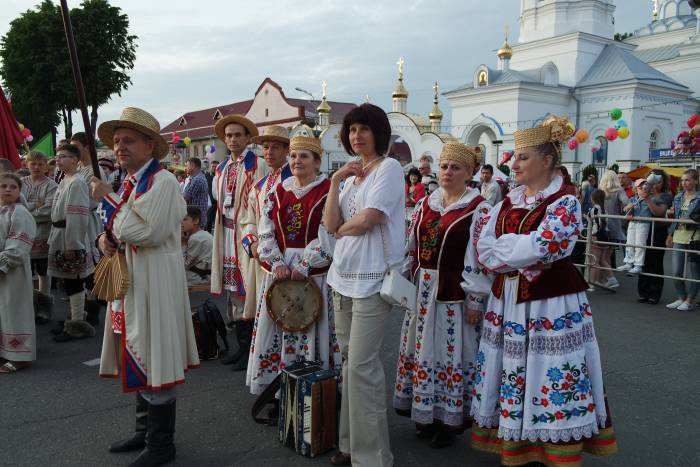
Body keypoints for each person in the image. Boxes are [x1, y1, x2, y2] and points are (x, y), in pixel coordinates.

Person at [470, 116, 617, 466]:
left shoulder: (564, 202)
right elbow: (485, 250)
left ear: (547, 160)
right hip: (508, 302)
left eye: (522, 157)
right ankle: (517, 442)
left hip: (550, 305)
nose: (513, 163)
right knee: (512, 367)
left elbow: (546, 247)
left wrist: (515, 251)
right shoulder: (508, 201)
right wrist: (518, 251)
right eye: (514, 157)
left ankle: (550, 446)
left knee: (546, 367)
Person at [91, 107, 199, 467]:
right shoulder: (131, 181)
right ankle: (145, 432)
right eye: (117, 141)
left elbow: (142, 232)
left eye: (129, 141)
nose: (120, 147)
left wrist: (107, 201)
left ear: (150, 146)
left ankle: (161, 446)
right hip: (133, 279)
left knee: (157, 354)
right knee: (138, 349)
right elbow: (119, 229)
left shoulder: (163, 182)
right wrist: (105, 242)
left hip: (154, 278)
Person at [393, 143, 492, 448]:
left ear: (470, 173)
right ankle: (425, 415)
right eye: (445, 165)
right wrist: (401, 278)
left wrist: (476, 297)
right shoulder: (427, 203)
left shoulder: (479, 208)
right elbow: (412, 245)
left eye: (456, 167)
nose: (447, 172)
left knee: (451, 353)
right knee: (421, 350)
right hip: (423, 289)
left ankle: (449, 421)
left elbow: (479, 257)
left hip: (454, 291)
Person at [323, 103, 405, 467]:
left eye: (364, 129)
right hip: (341, 278)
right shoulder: (352, 177)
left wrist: (342, 229)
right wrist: (336, 181)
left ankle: (374, 457)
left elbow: (369, 219)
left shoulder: (389, 169)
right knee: (349, 365)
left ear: (379, 133)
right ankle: (349, 445)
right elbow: (329, 223)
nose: (357, 136)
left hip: (372, 281)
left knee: (362, 366)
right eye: (352, 130)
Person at [247, 136, 341, 399]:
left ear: (317, 162)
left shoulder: (326, 192)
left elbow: (329, 232)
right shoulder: (278, 191)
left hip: (313, 273)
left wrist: (305, 263)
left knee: (310, 323)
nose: (297, 161)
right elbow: (266, 229)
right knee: (280, 321)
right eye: (294, 156)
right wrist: (276, 261)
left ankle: (311, 391)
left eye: (304, 156)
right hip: (281, 271)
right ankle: (280, 393)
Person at [228, 125, 292, 372]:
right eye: (266, 147)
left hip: (286, 261)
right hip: (263, 261)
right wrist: (251, 243)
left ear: (287, 150)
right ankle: (271, 374)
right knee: (266, 315)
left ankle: (287, 373)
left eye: (276, 147)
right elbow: (247, 220)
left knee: (288, 317)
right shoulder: (260, 185)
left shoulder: (293, 181)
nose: (269, 151)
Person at [210, 114, 268, 367]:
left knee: (250, 287)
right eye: (229, 135)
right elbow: (218, 199)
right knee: (234, 290)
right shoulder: (222, 168)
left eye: (238, 135)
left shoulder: (259, 165)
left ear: (247, 138)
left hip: (247, 233)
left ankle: (252, 349)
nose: (233, 139)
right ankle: (242, 346)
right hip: (227, 232)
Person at [48, 144, 97, 342]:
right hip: (60, 233)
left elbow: (76, 215)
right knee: (67, 281)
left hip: (69, 234)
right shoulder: (65, 179)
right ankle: (72, 319)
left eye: (64, 156)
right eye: (58, 156)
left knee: (74, 280)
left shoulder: (77, 182)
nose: (58, 160)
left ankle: (77, 324)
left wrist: (73, 244)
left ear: (75, 160)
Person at [0, 173, 37, 374]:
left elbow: (18, 248)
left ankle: (20, 357)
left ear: (19, 190)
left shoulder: (20, 213)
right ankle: (5, 352)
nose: (7, 189)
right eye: (3, 186)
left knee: (14, 312)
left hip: (12, 274)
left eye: (13, 186)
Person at [21, 151, 58, 322]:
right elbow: (12, 205)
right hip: (22, 235)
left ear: (46, 166)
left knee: (43, 271)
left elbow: (48, 211)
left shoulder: (52, 186)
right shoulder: (19, 183)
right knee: (24, 272)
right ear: (27, 164)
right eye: (33, 163)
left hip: (43, 233)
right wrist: (32, 207)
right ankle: (26, 306)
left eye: (40, 164)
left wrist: (24, 212)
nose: (36, 167)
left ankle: (43, 309)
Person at [637, 169, 673, 305]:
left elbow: (659, 212)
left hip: (658, 231)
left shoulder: (666, 196)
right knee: (643, 261)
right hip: (643, 229)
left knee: (655, 262)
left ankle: (654, 293)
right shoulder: (644, 192)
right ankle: (643, 292)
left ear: (663, 182)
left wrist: (647, 199)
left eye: (659, 181)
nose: (656, 184)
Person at [665, 169, 700, 311]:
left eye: (688, 180)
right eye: (683, 180)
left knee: (695, 272)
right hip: (679, 236)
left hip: (695, 237)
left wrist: (690, 220)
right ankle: (681, 297)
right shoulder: (678, 196)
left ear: (696, 181)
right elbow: (675, 218)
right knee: (676, 271)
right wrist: (670, 234)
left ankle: (690, 300)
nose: (684, 183)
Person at [182, 206, 213, 287]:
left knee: (169, 276)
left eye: (185, 219)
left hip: (202, 277)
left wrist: (183, 243)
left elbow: (184, 265)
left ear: (196, 221)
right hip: (206, 274)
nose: (181, 223)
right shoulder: (202, 234)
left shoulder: (195, 239)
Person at [588, 189, 614, 287]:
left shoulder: (594, 209)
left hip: (597, 236)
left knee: (594, 260)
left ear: (593, 198)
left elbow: (596, 224)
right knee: (602, 260)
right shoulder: (604, 208)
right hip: (605, 235)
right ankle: (602, 280)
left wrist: (593, 234)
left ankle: (593, 282)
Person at [183, 158, 209, 229]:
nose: (186, 168)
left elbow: (186, 197)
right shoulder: (196, 178)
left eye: (187, 166)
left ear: (193, 166)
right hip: (196, 218)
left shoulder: (197, 180)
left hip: (196, 220)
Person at [205, 159, 218, 231]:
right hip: (210, 202)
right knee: (209, 221)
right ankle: (208, 234)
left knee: (218, 221)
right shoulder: (206, 176)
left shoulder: (221, 176)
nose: (214, 168)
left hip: (219, 202)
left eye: (216, 166)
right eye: (213, 166)